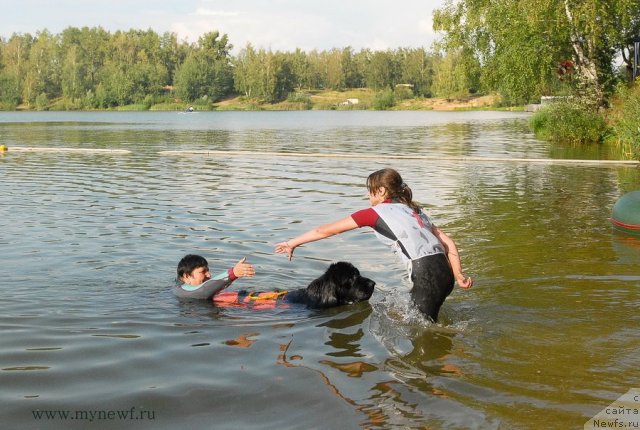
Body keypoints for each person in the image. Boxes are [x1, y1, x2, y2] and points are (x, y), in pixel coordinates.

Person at [275, 168, 473, 321]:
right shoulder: (414, 210)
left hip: (426, 276)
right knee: (416, 317)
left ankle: (448, 364)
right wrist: (458, 275)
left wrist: (292, 243)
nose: (368, 197)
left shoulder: (375, 213)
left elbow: (326, 230)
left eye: (370, 192)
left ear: (381, 191)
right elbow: (448, 243)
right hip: (446, 274)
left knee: (423, 332)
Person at [172, 254, 255, 299]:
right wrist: (233, 273)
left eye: (208, 271)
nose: (209, 275)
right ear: (186, 276)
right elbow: (201, 291)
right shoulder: (180, 292)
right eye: (203, 271)